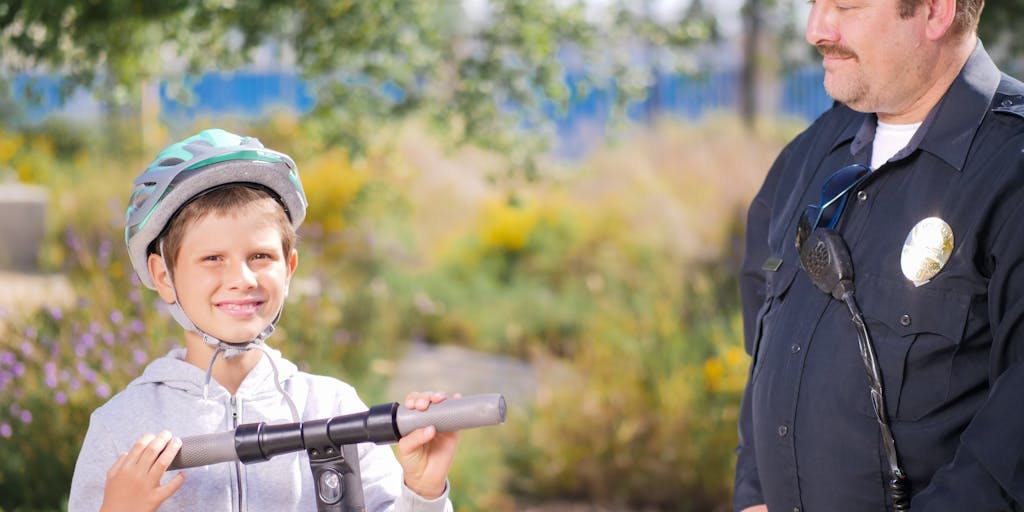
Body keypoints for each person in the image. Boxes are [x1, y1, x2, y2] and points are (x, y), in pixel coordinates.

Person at [69, 129, 459, 511]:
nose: (242, 279)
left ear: (289, 268)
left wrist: (422, 493)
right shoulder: (120, 426)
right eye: (212, 258)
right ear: (163, 277)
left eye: (260, 257)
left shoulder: (332, 406)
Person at [734, 0, 1024, 510]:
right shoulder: (809, 153)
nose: (816, 30)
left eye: (846, 5)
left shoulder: (1010, 171)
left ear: (935, 12)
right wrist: (755, 492)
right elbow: (766, 344)